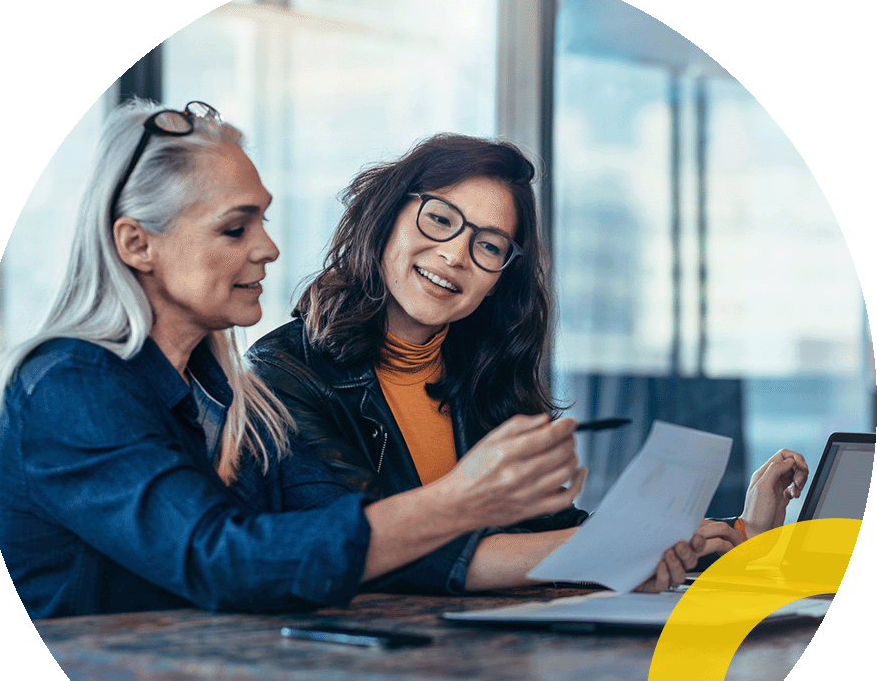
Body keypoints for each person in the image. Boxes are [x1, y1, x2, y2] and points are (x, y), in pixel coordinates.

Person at [0, 102, 706, 681]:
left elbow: (356, 532)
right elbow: (222, 558)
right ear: (136, 243)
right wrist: (463, 502)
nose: (268, 247)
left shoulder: (229, 398)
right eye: (237, 227)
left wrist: (615, 549)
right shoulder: (69, 387)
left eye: (261, 220)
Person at [248, 133, 810, 575]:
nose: (454, 256)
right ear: (386, 216)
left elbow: (551, 531)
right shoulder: (284, 373)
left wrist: (737, 533)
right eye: (440, 219)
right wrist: (604, 551)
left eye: (488, 245)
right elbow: (369, 548)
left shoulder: (486, 373)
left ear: (500, 276)